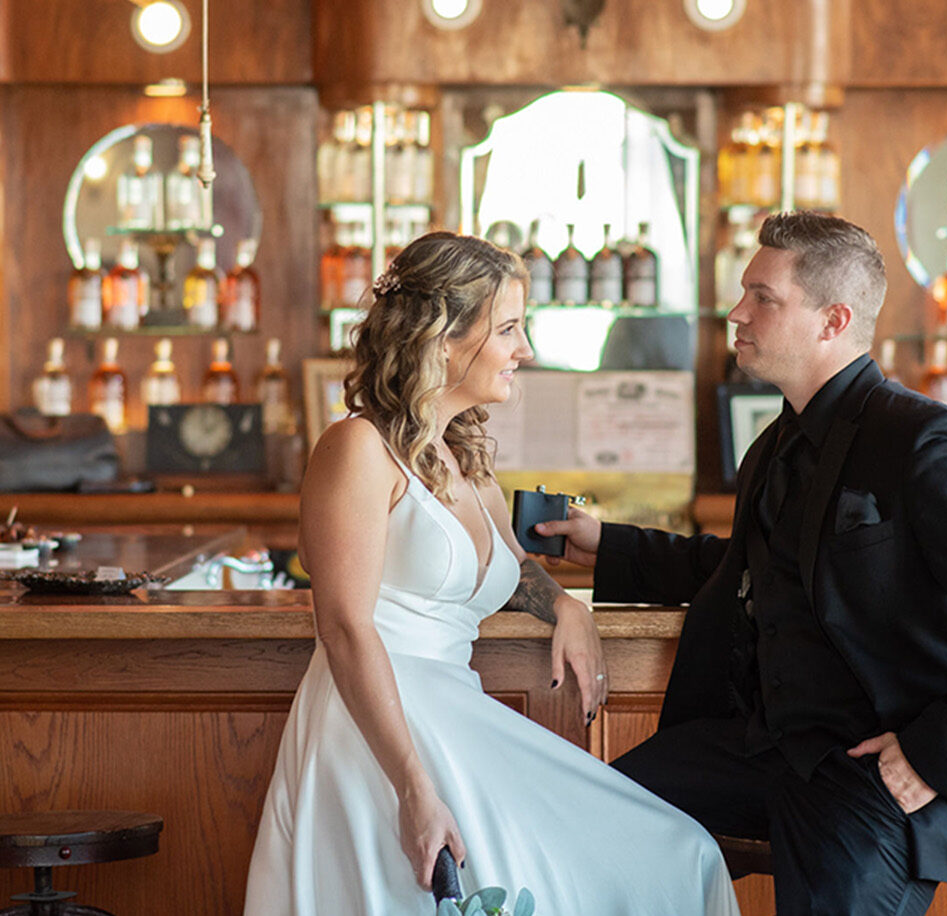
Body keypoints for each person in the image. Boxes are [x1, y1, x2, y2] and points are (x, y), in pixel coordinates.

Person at [538, 212, 947, 916]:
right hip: (767, 748)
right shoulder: (774, 443)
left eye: (764, 297)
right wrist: (612, 545)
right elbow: (746, 569)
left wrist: (934, 755)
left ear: (833, 320)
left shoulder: (928, 439)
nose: (737, 313)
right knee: (588, 813)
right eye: (743, 294)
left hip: (871, 768)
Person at [244, 231, 739, 915]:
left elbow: (512, 568)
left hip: (457, 714)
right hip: (379, 737)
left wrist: (565, 606)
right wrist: (413, 787)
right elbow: (346, 628)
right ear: (442, 336)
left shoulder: (461, 454)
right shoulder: (356, 448)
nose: (525, 350)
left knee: (682, 853)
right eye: (507, 328)